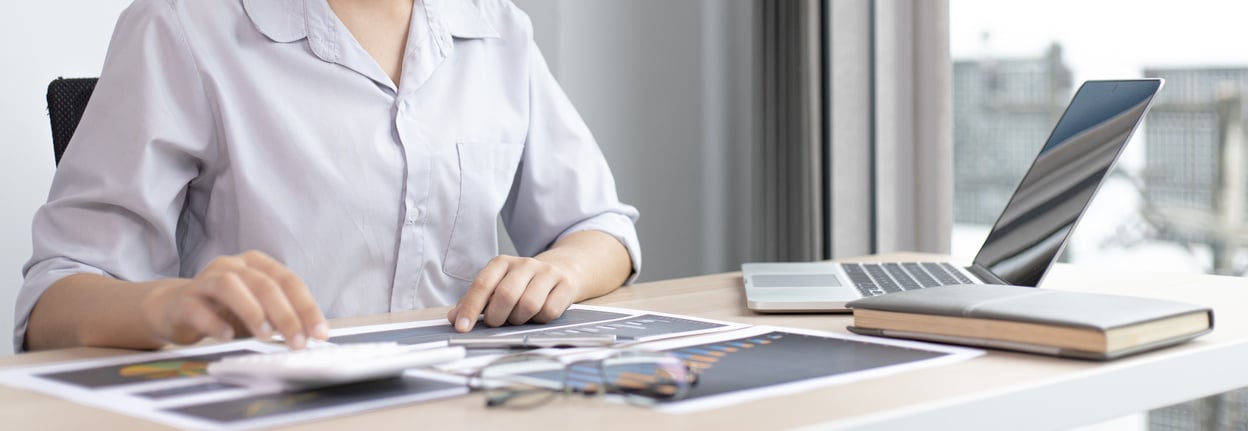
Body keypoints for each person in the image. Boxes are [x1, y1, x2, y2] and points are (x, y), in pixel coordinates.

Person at [15, 0, 640, 352]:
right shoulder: (180, 25)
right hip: (265, 408)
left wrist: (559, 270)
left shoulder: (498, 26)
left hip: (465, 403)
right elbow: (52, 301)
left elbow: (600, 229)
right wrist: (171, 307)